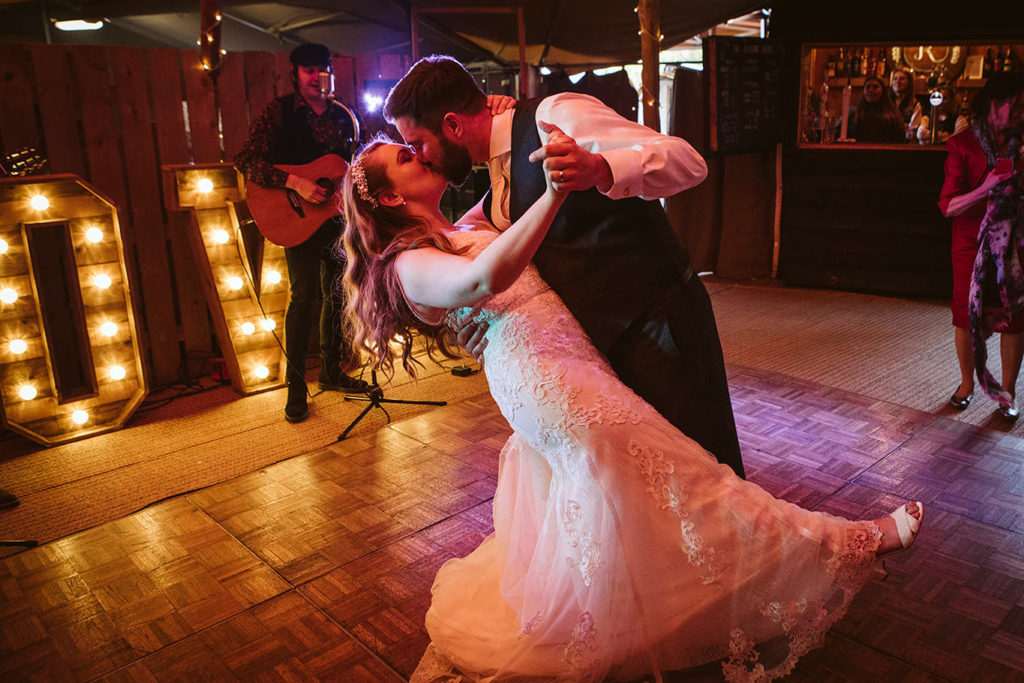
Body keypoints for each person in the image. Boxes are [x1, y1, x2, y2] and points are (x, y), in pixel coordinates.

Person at [339, 137, 924, 682]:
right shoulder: (405, 263)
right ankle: (852, 539)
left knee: (634, 495)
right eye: (407, 157)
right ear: (391, 196)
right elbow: (486, 275)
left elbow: (497, 226)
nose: (421, 153)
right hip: (547, 385)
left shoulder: (457, 226)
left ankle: (619, 607)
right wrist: (554, 193)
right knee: (690, 477)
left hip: (571, 367)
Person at [383, 55, 746, 479]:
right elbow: (477, 253)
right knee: (648, 478)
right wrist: (471, 319)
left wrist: (601, 167)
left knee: (704, 468)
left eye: (418, 143)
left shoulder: (556, 115)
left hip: (658, 321)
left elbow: (687, 160)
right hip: (594, 351)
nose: (420, 157)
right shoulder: (494, 176)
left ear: (453, 125)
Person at [235, 43, 371, 423]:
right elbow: (246, 159)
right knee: (304, 296)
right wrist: (294, 182)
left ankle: (331, 371)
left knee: (339, 294)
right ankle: (295, 387)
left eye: (321, 69)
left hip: (335, 220)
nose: (315, 77)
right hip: (296, 220)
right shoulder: (279, 113)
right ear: (295, 73)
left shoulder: (344, 115)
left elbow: (354, 163)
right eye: (308, 70)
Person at [939, 73, 1024, 419]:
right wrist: (986, 186)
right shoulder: (962, 144)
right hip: (970, 246)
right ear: (993, 105)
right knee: (965, 316)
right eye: (1014, 104)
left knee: (1015, 319)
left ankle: (1009, 394)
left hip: (1014, 246)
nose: (1021, 110)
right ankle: (967, 385)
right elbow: (948, 206)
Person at [836, 76, 906, 143]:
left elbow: (900, 138)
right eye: (868, 87)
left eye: (875, 87)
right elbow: (838, 132)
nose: (871, 90)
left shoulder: (892, 115)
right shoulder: (853, 112)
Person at [890, 68, 923, 138]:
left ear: (909, 83)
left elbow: (912, 131)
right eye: (895, 78)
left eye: (902, 79)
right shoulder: (886, 101)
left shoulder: (915, 104)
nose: (898, 81)